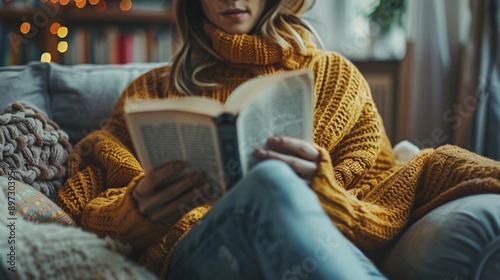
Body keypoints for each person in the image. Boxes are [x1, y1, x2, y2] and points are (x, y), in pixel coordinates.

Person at [56, 0, 500, 279]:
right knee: (269, 182)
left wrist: (321, 188)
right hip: (195, 252)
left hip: (305, 243)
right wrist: (134, 212)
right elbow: (80, 213)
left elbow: (377, 197)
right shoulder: (150, 93)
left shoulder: (334, 78)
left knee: (273, 183)